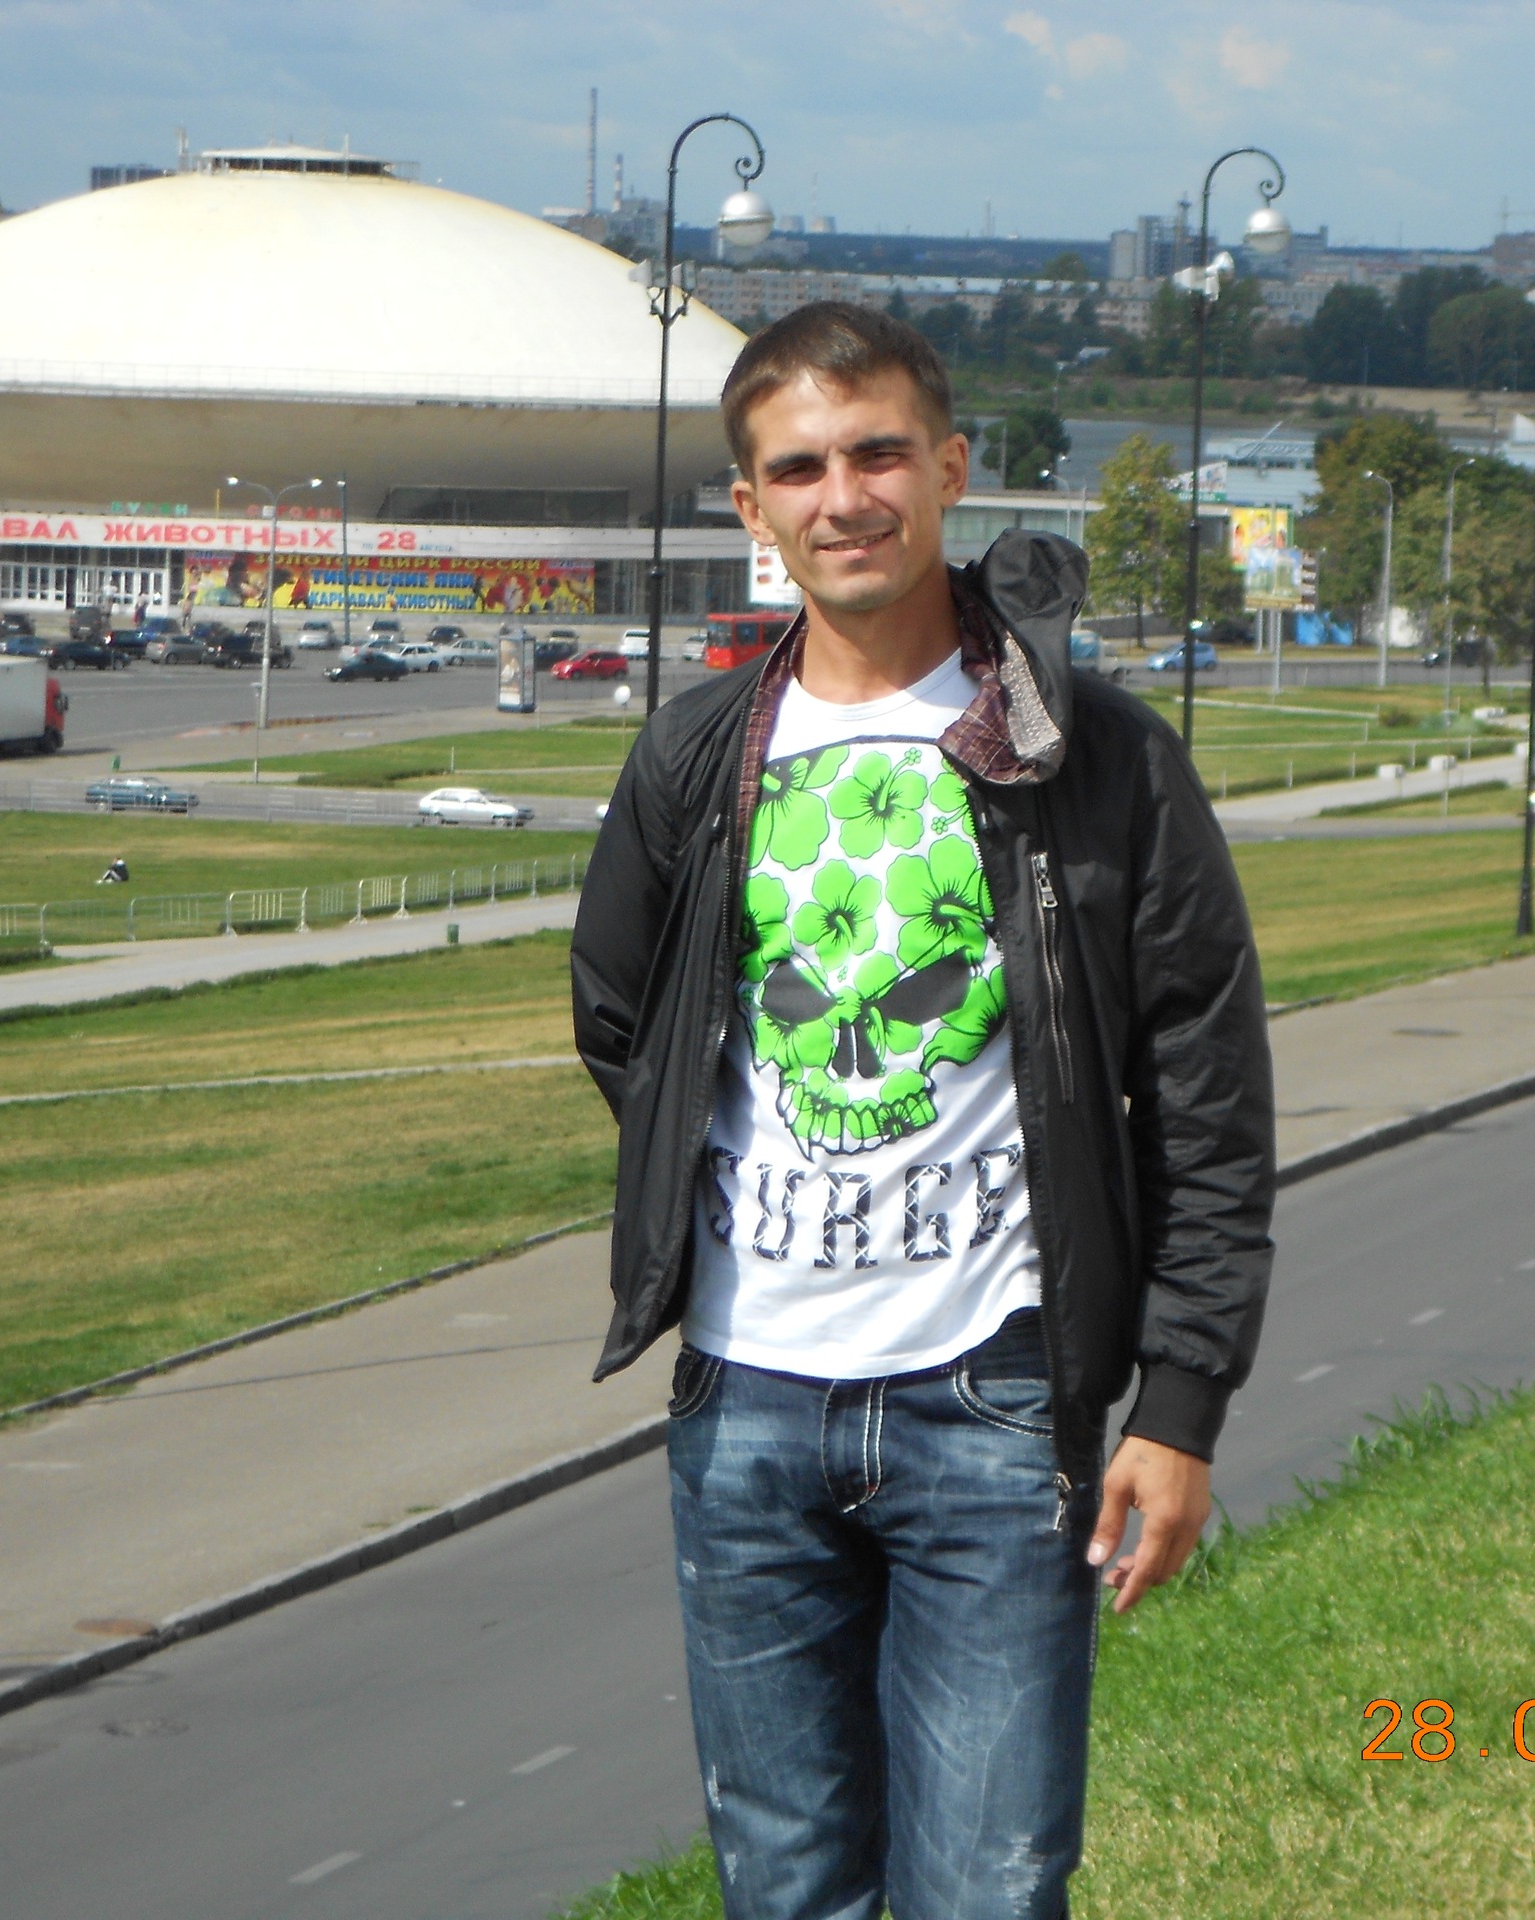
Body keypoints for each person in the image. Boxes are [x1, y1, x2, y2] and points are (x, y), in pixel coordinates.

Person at [570, 303, 1273, 1920]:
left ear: (950, 469)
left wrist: (1178, 1404)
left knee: (989, 1886)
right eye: (798, 468)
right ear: (750, 508)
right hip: (746, 1407)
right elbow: (626, 1022)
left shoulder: (1090, 758)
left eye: (879, 453)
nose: (844, 497)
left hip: (997, 1408)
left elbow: (1206, 1095)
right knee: (785, 1888)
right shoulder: (694, 762)